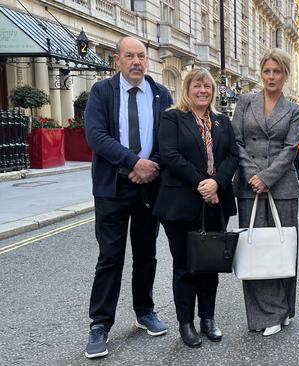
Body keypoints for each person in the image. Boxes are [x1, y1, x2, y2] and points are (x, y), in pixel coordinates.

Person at [84, 36, 173, 359]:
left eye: (142, 56)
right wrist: (132, 162)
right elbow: (96, 135)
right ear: (117, 60)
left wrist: (152, 166)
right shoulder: (102, 92)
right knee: (110, 256)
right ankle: (99, 324)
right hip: (114, 187)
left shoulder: (161, 93)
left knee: (147, 254)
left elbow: (170, 138)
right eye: (130, 56)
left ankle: (144, 310)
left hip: (150, 186)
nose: (137, 62)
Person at [154, 67, 239, 347]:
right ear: (187, 90)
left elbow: (232, 156)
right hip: (181, 204)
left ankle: (208, 320)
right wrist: (205, 184)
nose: (203, 91)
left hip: (216, 203)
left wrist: (218, 184)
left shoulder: (222, 121)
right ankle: (186, 323)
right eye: (197, 86)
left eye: (207, 87)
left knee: (210, 264)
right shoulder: (172, 118)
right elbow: (170, 155)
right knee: (185, 267)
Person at [231, 48, 299, 337]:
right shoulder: (246, 102)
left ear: (285, 75)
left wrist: (268, 177)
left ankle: (282, 309)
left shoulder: (293, 109)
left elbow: (290, 149)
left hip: (283, 187)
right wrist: (253, 174)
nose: (271, 76)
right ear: (261, 73)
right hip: (249, 187)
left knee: (281, 249)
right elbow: (234, 141)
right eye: (267, 71)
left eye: (277, 71)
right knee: (255, 250)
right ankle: (265, 313)